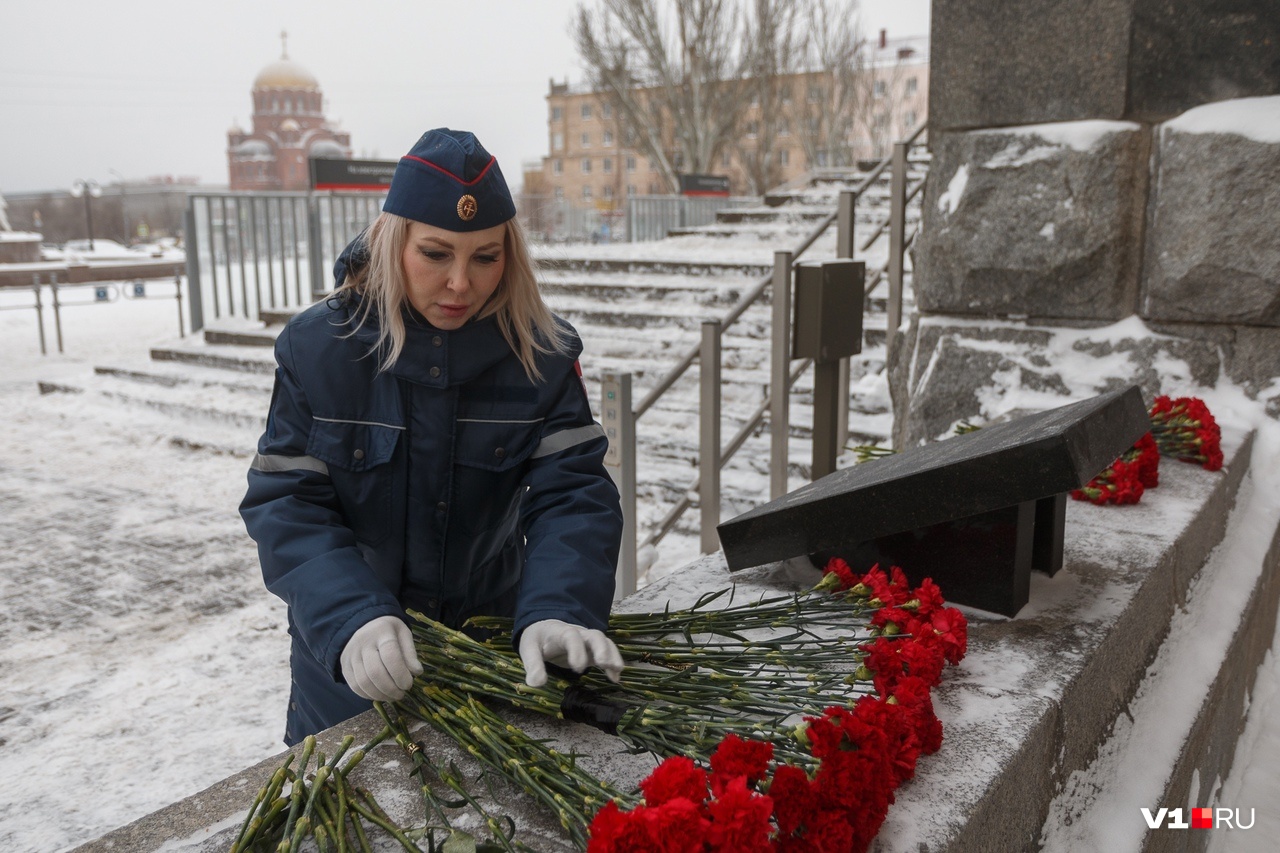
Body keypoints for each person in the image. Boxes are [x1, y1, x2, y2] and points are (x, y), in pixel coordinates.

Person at [240, 128, 624, 745]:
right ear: (395, 242)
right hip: (348, 671)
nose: (461, 285)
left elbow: (572, 494)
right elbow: (287, 503)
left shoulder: (541, 354)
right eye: (436, 254)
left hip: (494, 657)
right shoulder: (319, 351)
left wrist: (560, 606)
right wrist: (351, 617)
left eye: (485, 257)